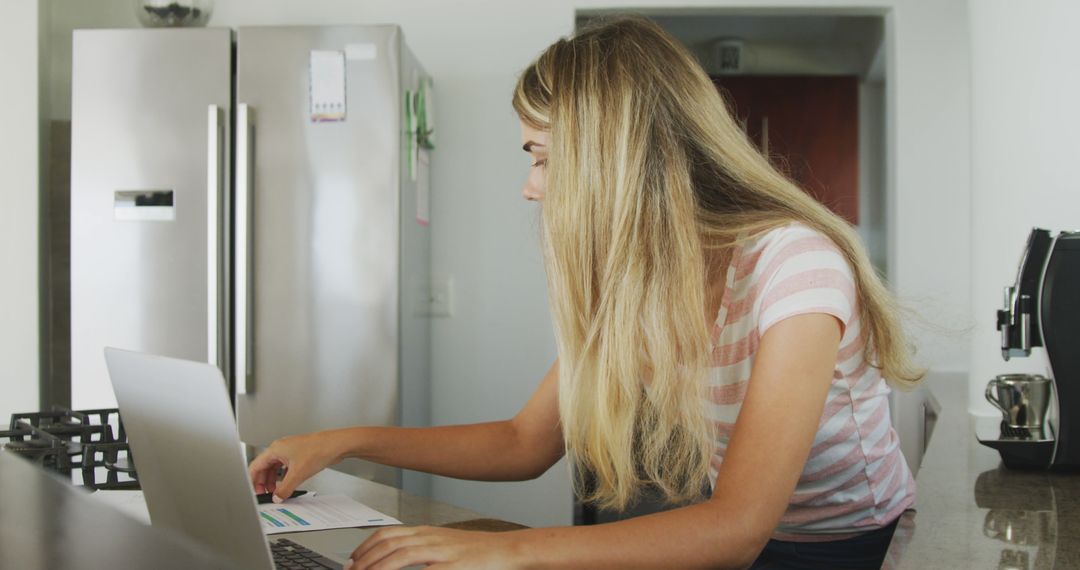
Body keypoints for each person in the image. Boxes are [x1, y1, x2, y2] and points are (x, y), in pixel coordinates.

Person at [249, 15, 922, 570]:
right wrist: (339, 441)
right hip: (752, 543)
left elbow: (738, 525)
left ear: (612, 156)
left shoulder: (794, 266)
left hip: (856, 547)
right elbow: (523, 442)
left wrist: (502, 551)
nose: (530, 186)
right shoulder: (640, 284)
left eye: (540, 156)